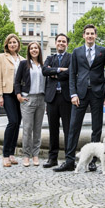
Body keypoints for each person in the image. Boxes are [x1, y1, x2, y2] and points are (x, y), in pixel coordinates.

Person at [54, 24, 105, 172]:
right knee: (73, 128)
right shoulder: (77, 52)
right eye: (87, 34)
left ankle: (92, 161)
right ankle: (69, 160)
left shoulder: (103, 51)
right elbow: (72, 74)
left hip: (97, 94)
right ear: (83, 36)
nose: (90, 36)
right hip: (80, 95)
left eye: (92, 33)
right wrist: (73, 94)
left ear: (95, 36)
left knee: (96, 128)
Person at [42, 33, 72, 168]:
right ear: (55, 43)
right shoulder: (50, 58)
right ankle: (52, 158)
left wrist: (54, 73)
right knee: (53, 130)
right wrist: (60, 70)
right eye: (59, 41)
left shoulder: (71, 58)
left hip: (66, 98)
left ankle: (68, 158)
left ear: (67, 44)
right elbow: (44, 71)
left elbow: (71, 72)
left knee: (67, 130)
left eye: (63, 42)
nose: (61, 43)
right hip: (52, 98)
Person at [0, 34, 24, 167]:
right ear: (7, 44)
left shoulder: (22, 59)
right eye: (10, 42)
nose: (13, 44)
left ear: (18, 44)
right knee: (12, 121)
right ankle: (5, 155)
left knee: (18, 123)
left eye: (15, 42)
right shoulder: (1, 57)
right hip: (7, 93)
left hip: (19, 94)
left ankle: (12, 154)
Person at [14, 41, 45, 167]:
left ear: (39, 50)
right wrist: (19, 95)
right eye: (31, 48)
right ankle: (26, 156)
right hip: (28, 99)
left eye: (36, 48)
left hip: (41, 99)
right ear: (29, 51)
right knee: (27, 129)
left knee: (37, 129)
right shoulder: (23, 64)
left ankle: (35, 155)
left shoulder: (43, 65)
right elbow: (17, 81)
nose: (34, 50)